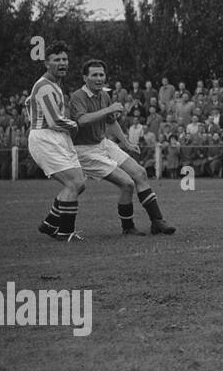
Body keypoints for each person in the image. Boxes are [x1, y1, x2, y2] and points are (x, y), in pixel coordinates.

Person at [68, 59, 176, 235]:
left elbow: (111, 122)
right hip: (84, 150)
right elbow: (82, 120)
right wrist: (108, 110)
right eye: (94, 75)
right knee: (127, 184)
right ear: (85, 77)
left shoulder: (104, 95)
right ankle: (128, 228)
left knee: (140, 173)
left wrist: (127, 143)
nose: (99, 78)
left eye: (101, 74)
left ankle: (157, 221)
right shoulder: (77, 97)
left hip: (103, 144)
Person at [28, 43, 87, 241]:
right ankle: (65, 232)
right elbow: (55, 120)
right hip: (45, 136)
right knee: (75, 183)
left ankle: (50, 223)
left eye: (64, 59)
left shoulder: (53, 84)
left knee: (79, 184)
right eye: (57, 60)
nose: (62, 63)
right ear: (46, 63)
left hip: (55, 137)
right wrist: (75, 126)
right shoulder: (45, 86)